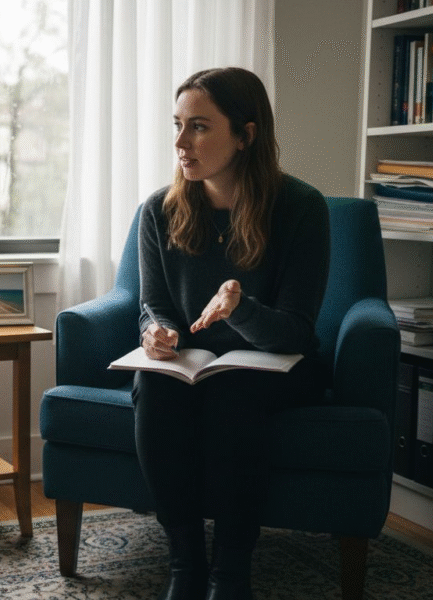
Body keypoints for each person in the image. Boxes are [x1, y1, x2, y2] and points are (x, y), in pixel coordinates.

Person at [133, 67, 330, 600]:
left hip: (277, 366)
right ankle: (186, 564)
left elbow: (295, 331)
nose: (179, 142)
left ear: (245, 135)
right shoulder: (158, 209)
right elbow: (152, 303)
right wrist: (158, 332)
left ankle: (231, 571)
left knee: (233, 395)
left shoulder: (302, 209)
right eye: (176, 124)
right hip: (192, 365)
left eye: (198, 127)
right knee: (153, 385)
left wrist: (237, 310)